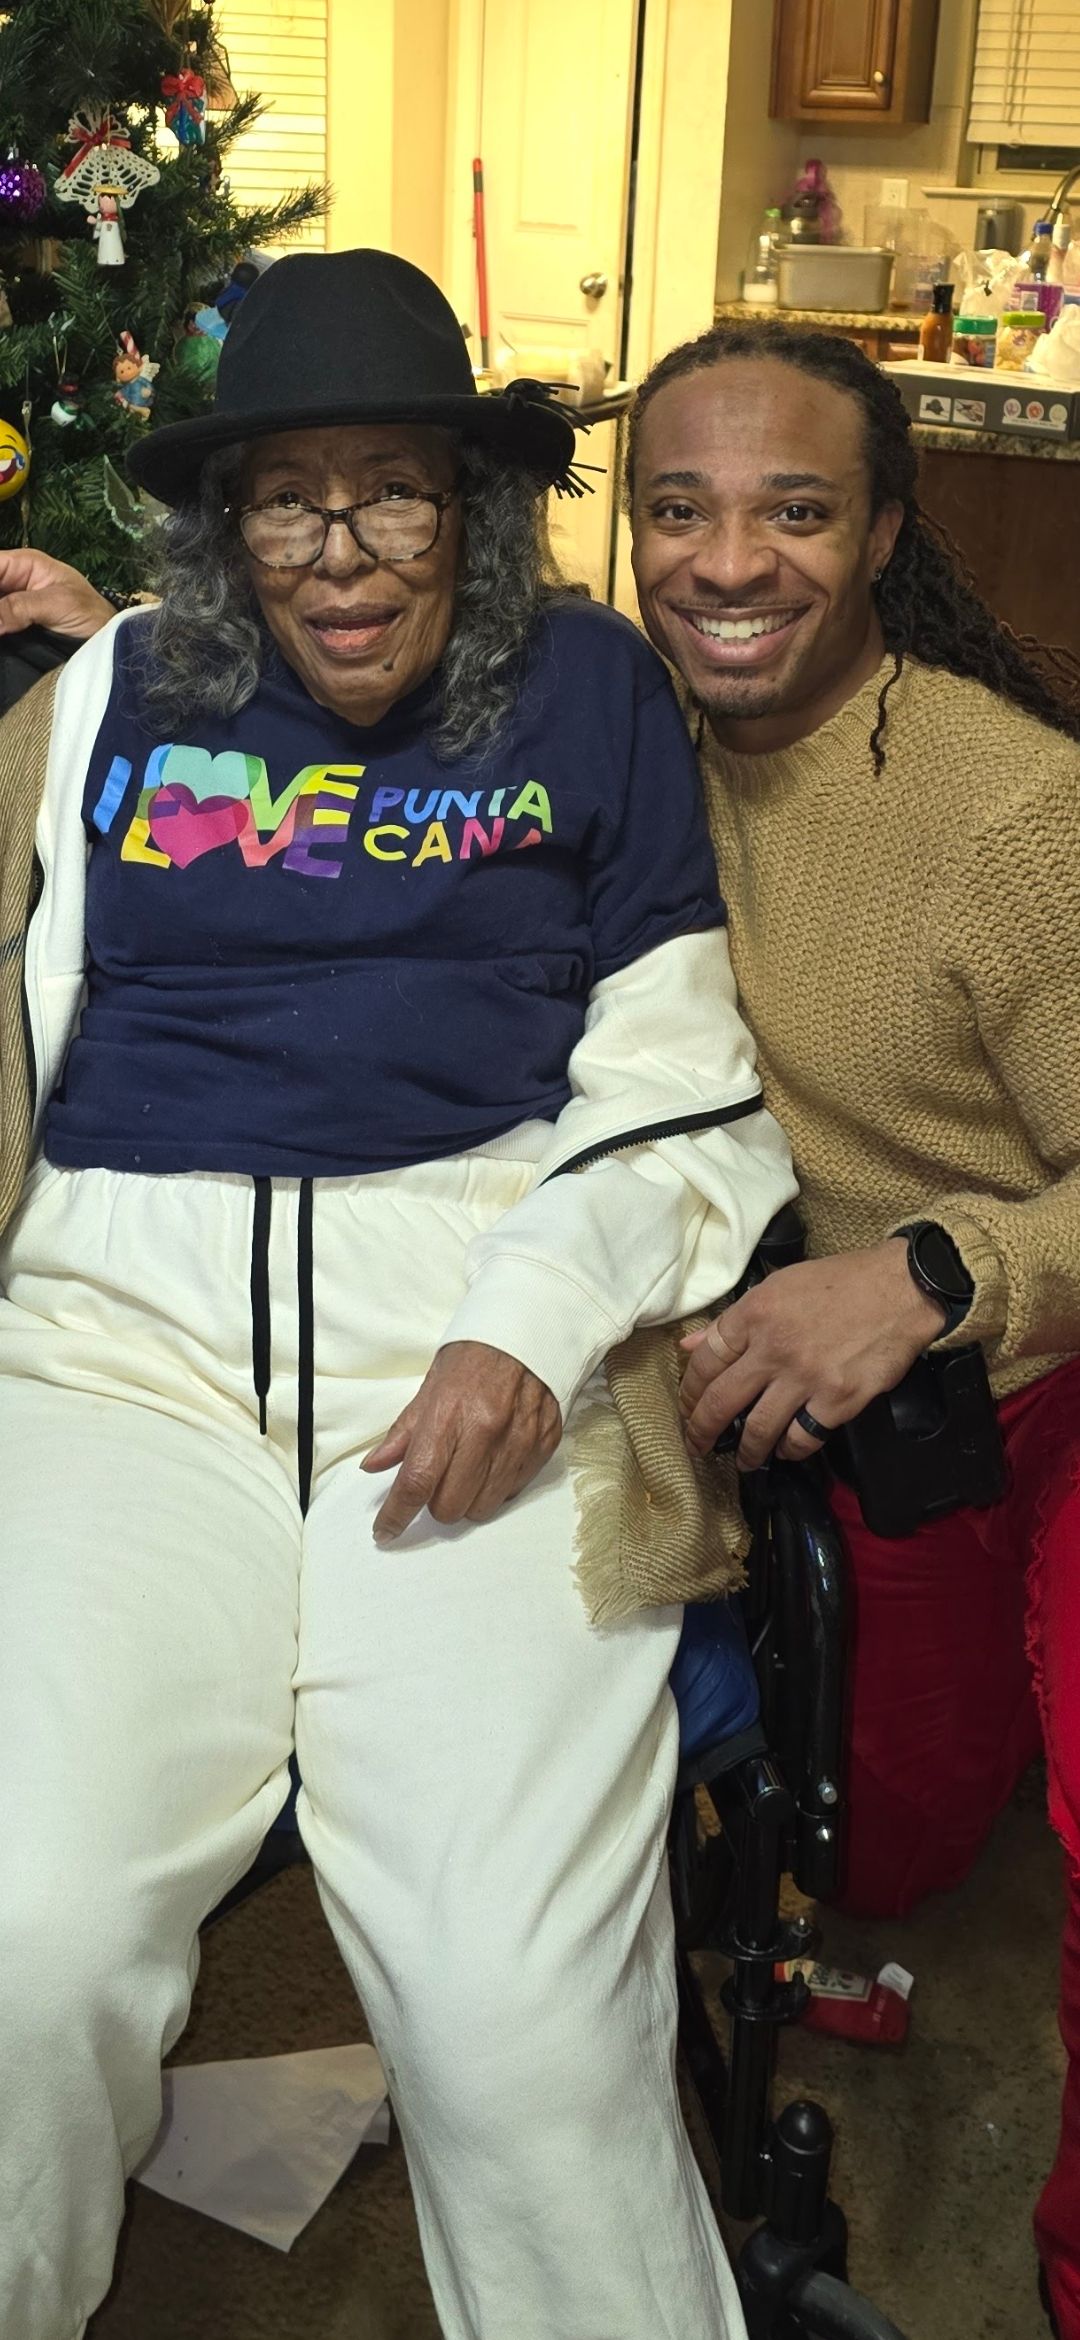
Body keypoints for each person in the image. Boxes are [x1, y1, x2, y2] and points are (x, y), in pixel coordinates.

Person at [0, 253, 798, 2340]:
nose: (342, 555)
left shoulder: (591, 692)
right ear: (223, 523)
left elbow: (681, 1075)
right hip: (113, 1347)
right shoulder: (115, 689)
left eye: (395, 494)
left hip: (470, 1327)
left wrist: (530, 1319)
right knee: (18, 1942)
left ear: (476, 506)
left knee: (519, 2009)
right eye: (287, 498)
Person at [625, 320, 1080, 2339]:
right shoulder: (625, 731)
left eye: (794, 512)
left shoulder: (1012, 819)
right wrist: (117, 648)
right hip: (824, 1387)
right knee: (869, 1849)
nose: (729, 563)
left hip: (1026, 1359)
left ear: (887, 532)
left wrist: (927, 1278)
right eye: (681, 510)